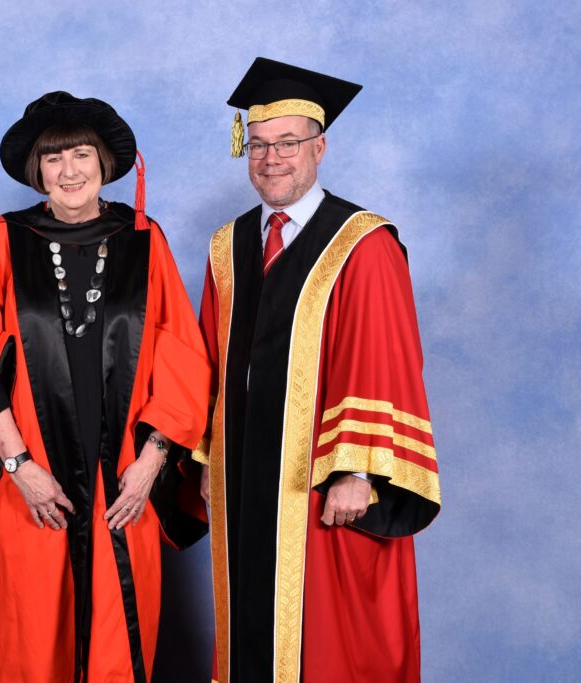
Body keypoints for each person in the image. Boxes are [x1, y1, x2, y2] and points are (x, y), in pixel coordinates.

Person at [0, 92, 210, 682]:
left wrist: (152, 463)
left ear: (104, 164)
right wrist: (19, 467)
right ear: (38, 172)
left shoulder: (143, 240)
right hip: (31, 482)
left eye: (80, 155)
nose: (69, 172)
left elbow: (183, 360)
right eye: (53, 159)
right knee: (33, 640)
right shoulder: (3, 242)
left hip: (123, 483)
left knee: (119, 637)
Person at [195, 59, 442, 682]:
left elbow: (383, 360)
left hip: (323, 486)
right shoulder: (227, 247)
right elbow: (206, 363)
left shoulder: (362, 243)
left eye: (288, 144)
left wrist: (357, 470)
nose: (271, 159)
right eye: (258, 145)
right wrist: (205, 460)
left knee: (332, 646)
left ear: (320, 147)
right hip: (243, 484)